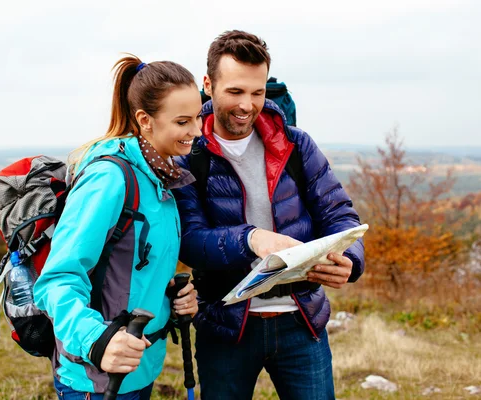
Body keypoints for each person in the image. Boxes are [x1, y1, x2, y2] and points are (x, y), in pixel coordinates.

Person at [173, 31, 365, 400]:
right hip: (225, 327)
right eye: (236, 92)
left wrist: (351, 261)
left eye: (257, 93)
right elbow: (190, 241)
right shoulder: (188, 156)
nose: (247, 105)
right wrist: (251, 239)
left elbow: (340, 215)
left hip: (301, 321)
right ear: (208, 84)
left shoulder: (296, 144)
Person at [33, 55, 202, 400]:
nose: (196, 131)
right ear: (145, 120)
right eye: (183, 121)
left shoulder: (161, 176)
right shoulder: (109, 179)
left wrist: (172, 296)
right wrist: (97, 341)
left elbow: (131, 269)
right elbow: (57, 281)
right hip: (97, 377)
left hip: (140, 367)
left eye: (198, 117)